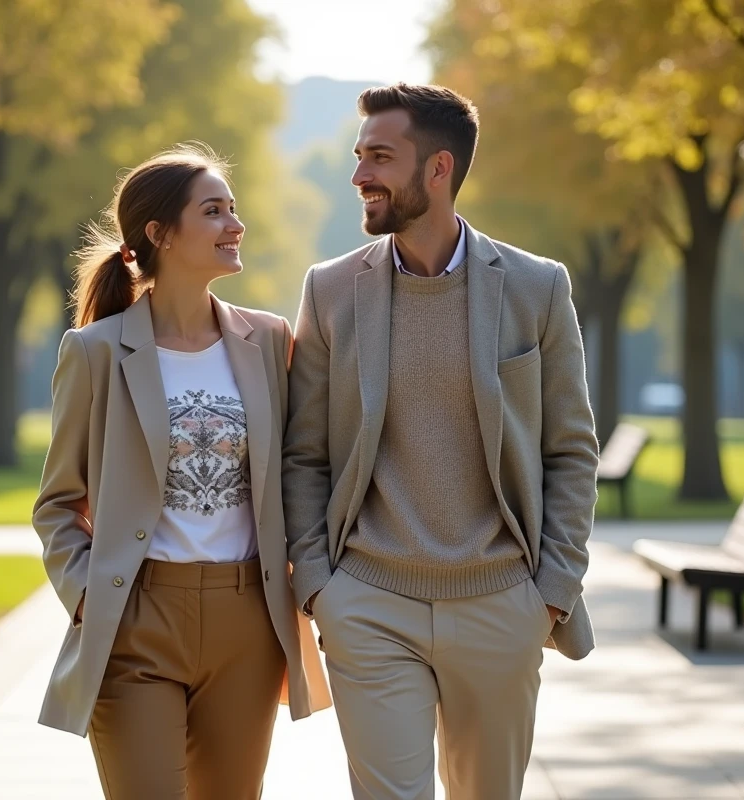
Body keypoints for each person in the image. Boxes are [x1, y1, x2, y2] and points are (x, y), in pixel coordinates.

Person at [283, 84, 600, 799]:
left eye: (380, 157)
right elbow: (305, 452)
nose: (361, 175)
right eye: (360, 156)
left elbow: (571, 451)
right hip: (368, 603)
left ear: (438, 169)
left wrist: (551, 591)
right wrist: (319, 586)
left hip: (502, 605)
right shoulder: (330, 290)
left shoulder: (535, 287)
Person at [32, 143, 330, 800]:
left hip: (247, 623)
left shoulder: (270, 341)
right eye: (214, 211)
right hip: (137, 620)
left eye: (234, 208)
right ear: (160, 234)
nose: (235, 225)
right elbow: (57, 502)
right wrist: (88, 594)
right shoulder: (95, 353)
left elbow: (304, 469)